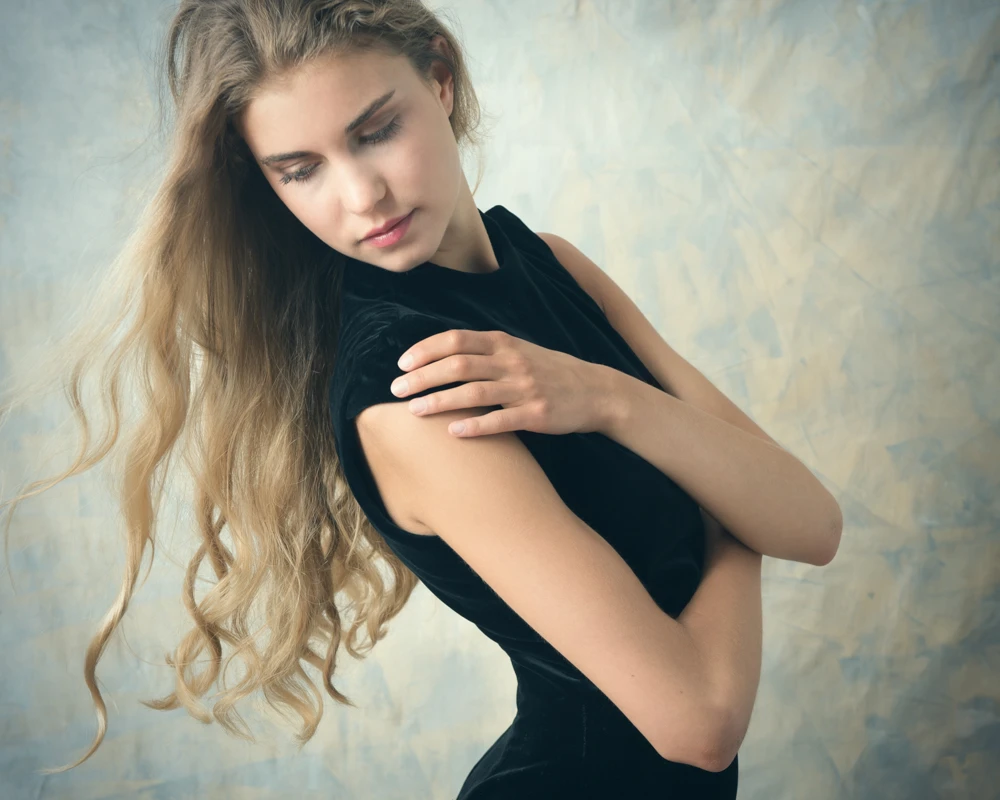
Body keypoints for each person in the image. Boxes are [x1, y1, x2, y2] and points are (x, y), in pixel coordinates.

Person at [0, 1, 842, 795]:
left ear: (440, 79)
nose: (362, 196)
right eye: (301, 171)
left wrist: (608, 398)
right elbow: (699, 723)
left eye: (376, 131)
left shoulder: (549, 260)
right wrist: (729, 505)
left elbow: (812, 524)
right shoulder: (409, 390)